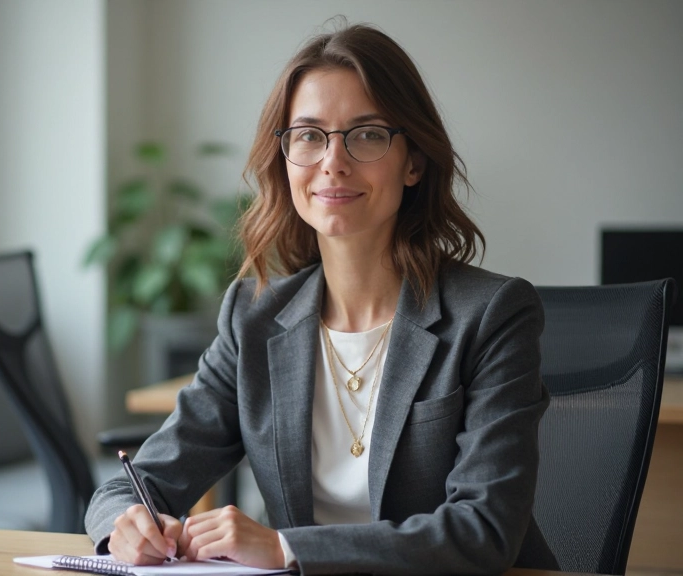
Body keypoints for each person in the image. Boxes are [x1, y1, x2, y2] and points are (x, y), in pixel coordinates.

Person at [85, 21, 558, 575]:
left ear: (413, 162)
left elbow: (484, 530)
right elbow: (131, 487)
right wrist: (126, 526)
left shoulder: (492, 315)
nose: (333, 161)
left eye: (367, 134)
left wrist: (287, 549)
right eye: (309, 136)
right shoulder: (253, 318)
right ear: (285, 157)